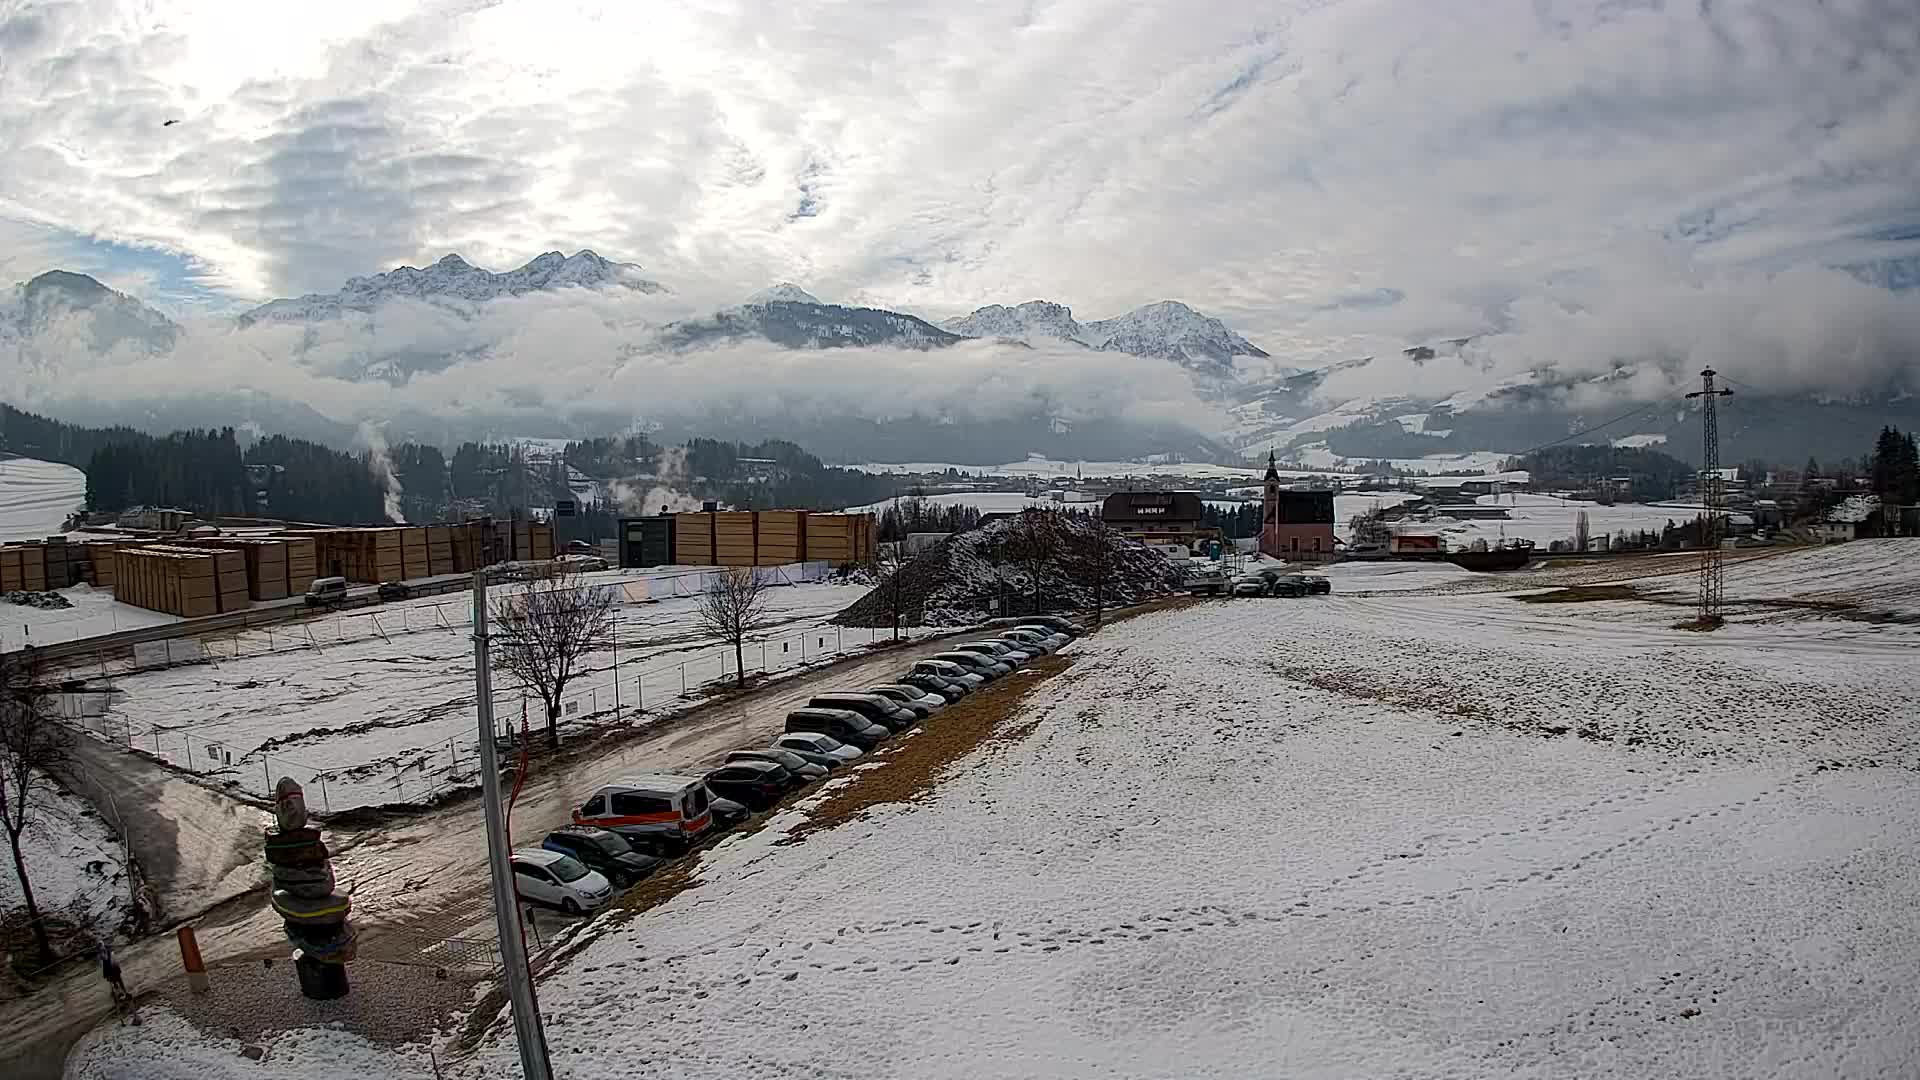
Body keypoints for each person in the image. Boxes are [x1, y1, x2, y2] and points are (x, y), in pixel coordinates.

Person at [99, 940, 129, 1008]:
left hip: (113, 968)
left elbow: (111, 957)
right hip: (110, 969)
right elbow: (103, 961)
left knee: (118, 981)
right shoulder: (102, 954)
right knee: (114, 982)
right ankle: (119, 993)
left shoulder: (108, 950)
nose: (101, 948)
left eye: (101, 946)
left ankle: (124, 993)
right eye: (100, 947)